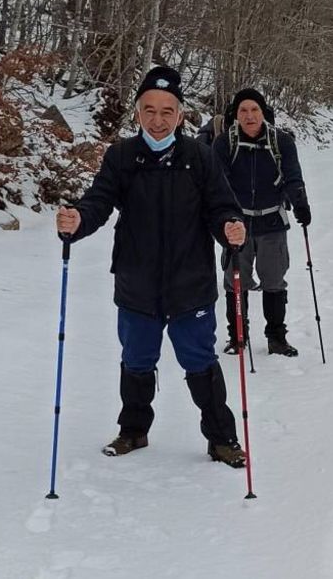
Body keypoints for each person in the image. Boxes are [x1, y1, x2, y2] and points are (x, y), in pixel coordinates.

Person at [55, 66, 249, 467]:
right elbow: (99, 200)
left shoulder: (199, 156)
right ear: (137, 113)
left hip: (189, 283)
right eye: (149, 110)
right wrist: (77, 219)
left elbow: (221, 206)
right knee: (137, 360)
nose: (157, 120)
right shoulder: (123, 156)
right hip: (136, 283)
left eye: (167, 111)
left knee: (200, 361)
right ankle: (133, 430)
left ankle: (221, 438)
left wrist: (231, 227)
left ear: (180, 115)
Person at [201, 88, 311, 357]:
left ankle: (276, 338)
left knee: (274, 280)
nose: (249, 116)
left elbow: (293, 176)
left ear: (263, 113)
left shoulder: (281, 141)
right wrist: (221, 217)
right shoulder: (224, 143)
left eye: (254, 110)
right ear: (235, 115)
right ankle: (237, 337)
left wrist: (301, 204)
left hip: (272, 222)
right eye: (243, 111)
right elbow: (218, 185)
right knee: (235, 281)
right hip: (237, 225)